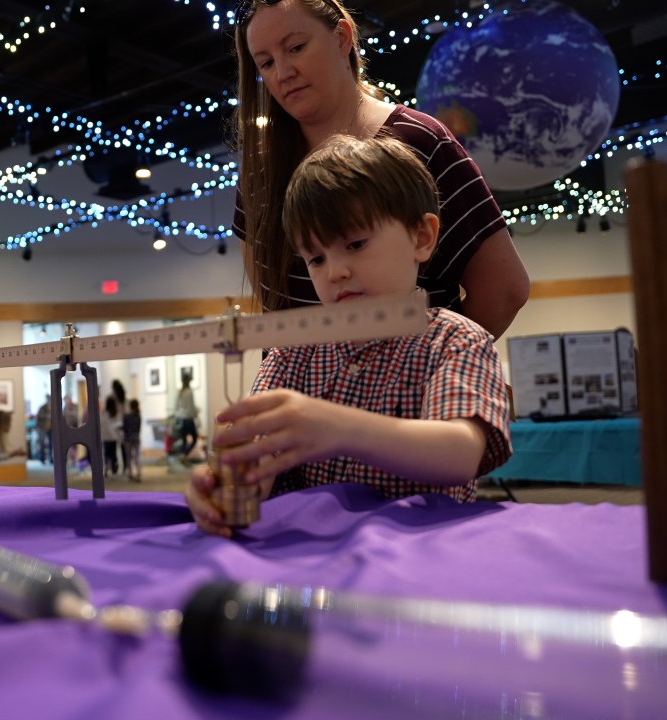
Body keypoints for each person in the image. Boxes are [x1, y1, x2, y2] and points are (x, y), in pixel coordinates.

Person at [187, 134, 512, 538]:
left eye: (355, 244)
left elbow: (462, 452)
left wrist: (339, 428)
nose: (334, 272)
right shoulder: (294, 354)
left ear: (422, 237)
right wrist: (228, 486)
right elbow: (258, 455)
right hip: (314, 559)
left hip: (423, 555)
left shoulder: (455, 340)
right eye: (316, 258)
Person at [232, 0, 528, 339]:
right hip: (296, 385)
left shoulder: (422, 141)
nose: (283, 73)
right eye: (266, 63)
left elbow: (505, 291)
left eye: (296, 48)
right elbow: (274, 304)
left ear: (342, 38)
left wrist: (438, 365)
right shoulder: (260, 167)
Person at [173, 371, 200, 462]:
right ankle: (184, 455)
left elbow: (177, 407)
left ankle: (183, 455)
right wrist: (196, 415)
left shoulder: (180, 392)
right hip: (189, 419)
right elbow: (191, 407)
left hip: (182, 419)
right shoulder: (189, 392)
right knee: (194, 438)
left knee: (184, 440)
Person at [109, 379, 129, 472]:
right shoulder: (124, 397)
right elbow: (126, 411)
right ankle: (125, 466)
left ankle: (115, 466)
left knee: (113, 446)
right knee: (123, 447)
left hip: (115, 423)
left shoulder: (113, 398)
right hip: (123, 423)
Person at [122, 398, 142, 482]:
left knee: (129, 456)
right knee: (137, 456)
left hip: (128, 438)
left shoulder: (127, 416)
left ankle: (130, 473)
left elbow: (125, 428)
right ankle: (138, 471)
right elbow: (138, 428)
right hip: (136, 437)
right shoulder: (138, 416)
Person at [100, 395, 121, 476]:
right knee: (113, 454)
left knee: (106, 454)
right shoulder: (115, 413)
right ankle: (113, 468)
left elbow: (102, 424)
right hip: (113, 437)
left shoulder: (104, 413)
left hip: (106, 437)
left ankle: (106, 468)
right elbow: (118, 425)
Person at [34, 400, 53, 464]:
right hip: (42, 428)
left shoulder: (54, 408)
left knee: (51, 444)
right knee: (42, 443)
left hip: (51, 428)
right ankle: (42, 458)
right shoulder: (42, 409)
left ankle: (51, 458)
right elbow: (39, 418)